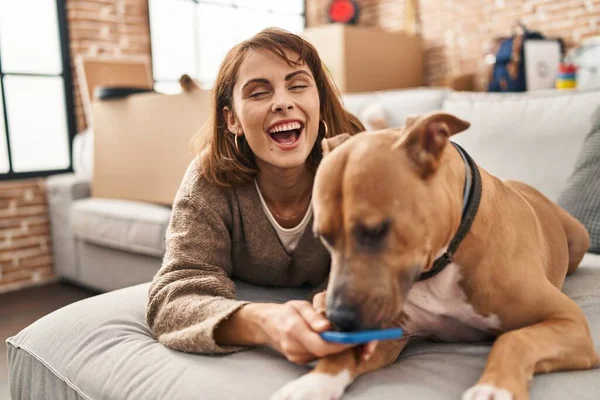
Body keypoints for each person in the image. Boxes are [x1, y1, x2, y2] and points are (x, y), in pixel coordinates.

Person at [145, 27, 365, 365]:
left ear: (318, 99)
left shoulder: (359, 164)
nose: (283, 102)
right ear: (232, 119)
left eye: (298, 85)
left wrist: (335, 297)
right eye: (259, 93)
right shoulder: (208, 179)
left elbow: (381, 263)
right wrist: (263, 322)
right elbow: (173, 296)